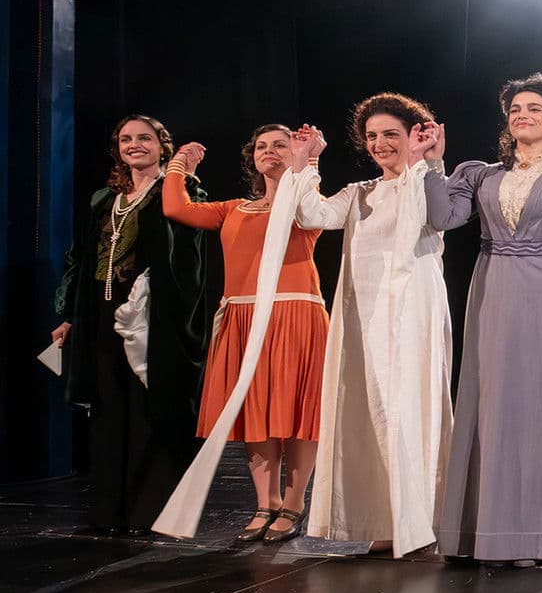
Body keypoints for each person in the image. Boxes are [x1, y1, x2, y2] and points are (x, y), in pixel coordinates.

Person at [430, 73, 542, 566]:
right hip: (495, 290)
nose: (522, 115)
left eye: (534, 109)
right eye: (515, 109)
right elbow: (443, 219)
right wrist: (433, 164)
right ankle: (496, 533)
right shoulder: (480, 174)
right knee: (497, 404)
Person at [289, 93, 453, 558]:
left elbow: (430, 216)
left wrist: (426, 162)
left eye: (390, 134)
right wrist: (306, 162)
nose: (380, 143)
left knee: (409, 404)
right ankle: (387, 517)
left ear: (412, 137)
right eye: (373, 135)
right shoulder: (360, 192)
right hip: (365, 310)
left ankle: (421, 518)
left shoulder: (428, 182)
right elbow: (312, 215)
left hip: (413, 306)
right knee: (373, 407)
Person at [162, 124, 328, 543]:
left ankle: (294, 504)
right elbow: (176, 208)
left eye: (280, 145)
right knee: (255, 411)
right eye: (261, 147)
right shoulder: (234, 209)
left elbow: (308, 204)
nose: (270, 151)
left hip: (294, 315)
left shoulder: (306, 204)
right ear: (252, 158)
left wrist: (309, 158)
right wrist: (180, 164)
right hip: (244, 317)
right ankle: (265, 503)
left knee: (295, 413)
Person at [51, 114, 208, 535]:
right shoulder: (105, 198)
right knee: (108, 409)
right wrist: (68, 315)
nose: (134, 145)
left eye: (144, 138)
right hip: (100, 314)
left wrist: (182, 176)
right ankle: (109, 511)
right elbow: (80, 258)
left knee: (146, 409)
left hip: (150, 317)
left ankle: (147, 511)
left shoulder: (177, 190)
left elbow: (189, 255)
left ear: (162, 145)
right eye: (126, 139)